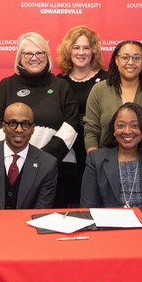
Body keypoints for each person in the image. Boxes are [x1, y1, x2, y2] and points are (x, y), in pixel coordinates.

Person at [0, 32, 78, 208]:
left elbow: (72, 122)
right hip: (14, 168)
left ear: (47, 56)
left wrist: (43, 158)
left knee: (52, 223)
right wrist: (20, 155)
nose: (34, 58)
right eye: (28, 53)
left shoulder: (61, 86)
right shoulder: (6, 85)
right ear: (20, 58)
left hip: (57, 168)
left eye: (39, 53)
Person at [80, 103, 142, 208]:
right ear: (114, 129)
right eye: (121, 126)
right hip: (109, 223)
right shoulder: (95, 159)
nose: (127, 131)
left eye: (134, 125)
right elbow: (88, 209)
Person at [0, 103, 58, 210]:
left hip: (26, 225)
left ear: (33, 129)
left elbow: (41, 212)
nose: (19, 129)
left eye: (25, 124)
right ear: (4, 127)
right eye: (13, 123)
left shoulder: (47, 164)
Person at [84, 40, 142, 153]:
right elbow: (91, 131)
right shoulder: (99, 90)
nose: (130, 62)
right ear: (116, 60)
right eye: (125, 57)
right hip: (105, 164)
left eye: (136, 58)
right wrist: (95, 161)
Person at [57, 26, 107, 207]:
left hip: (96, 149)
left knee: (92, 203)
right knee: (65, 203)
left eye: (86, 47)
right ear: (68, 51)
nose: (81, 52)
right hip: (65, 153)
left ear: (93, 51)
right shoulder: (58, 82)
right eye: (76, 47)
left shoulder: (107, 80)